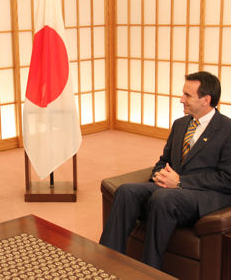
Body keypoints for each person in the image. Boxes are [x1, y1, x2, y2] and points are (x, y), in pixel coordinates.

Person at [99, 71, 231, 269]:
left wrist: (180, 182)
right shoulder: (180, 125)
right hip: (170, 188)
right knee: (126, 191)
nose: (181, 99)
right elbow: (164, 161)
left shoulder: (227, 130)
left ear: (206, 100)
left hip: (202, 196)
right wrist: (160, 175)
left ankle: (148, 271)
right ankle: (105, 263)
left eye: (187, 95)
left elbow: (227, 179)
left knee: (163, 198)